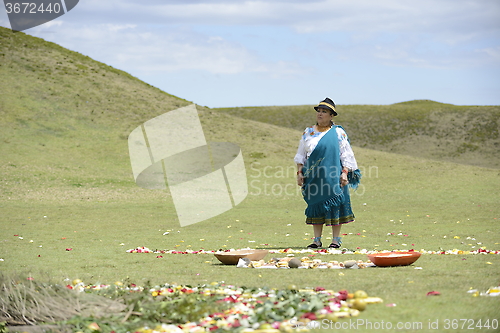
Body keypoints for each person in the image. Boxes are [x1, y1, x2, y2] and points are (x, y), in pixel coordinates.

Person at [294, 98, 361, 248]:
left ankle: (335, 240)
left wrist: (345, 173)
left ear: (331, 116)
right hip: (313, 176)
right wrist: (299, 172)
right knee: (315, 205)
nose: (320, 114)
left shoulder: (338, 132)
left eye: (324, 112)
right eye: (319, 111)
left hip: (333, 176)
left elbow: (346, 154)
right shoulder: (308, 132)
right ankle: (316, 240)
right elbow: (301, 155)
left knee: (335, 205)